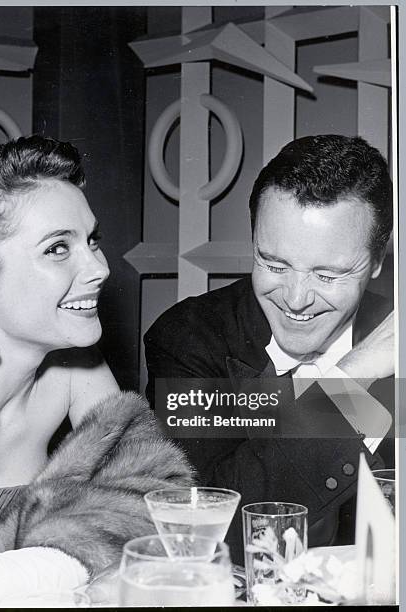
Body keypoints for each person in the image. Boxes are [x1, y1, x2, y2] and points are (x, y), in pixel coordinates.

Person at [0, 135, 193, 601]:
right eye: (58, 248)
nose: (99, 268)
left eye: (91, 240)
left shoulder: (75, 365)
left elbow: (159, 506)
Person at [144, 134, 394, 563]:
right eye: (273, 264)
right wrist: (349, 379)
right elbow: (203, 536)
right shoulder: (189, 337)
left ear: (376, 263)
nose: (296, 300)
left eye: (329, 275)